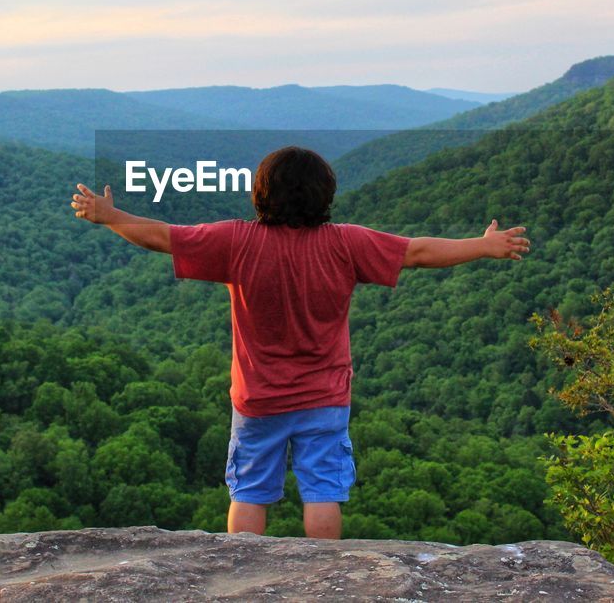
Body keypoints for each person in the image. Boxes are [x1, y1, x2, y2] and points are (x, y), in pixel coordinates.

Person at [71, 146, 529, 539]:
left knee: (250, 491)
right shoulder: (345, 244)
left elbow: (163, 237)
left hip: (257, 399)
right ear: (324, 195)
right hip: (325, 397)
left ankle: (244, 575)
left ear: (261, 193)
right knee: (323, 490)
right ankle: (321, 577)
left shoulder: (237, 241)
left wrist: (110, 217)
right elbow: (418, 252)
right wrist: (482, 245)